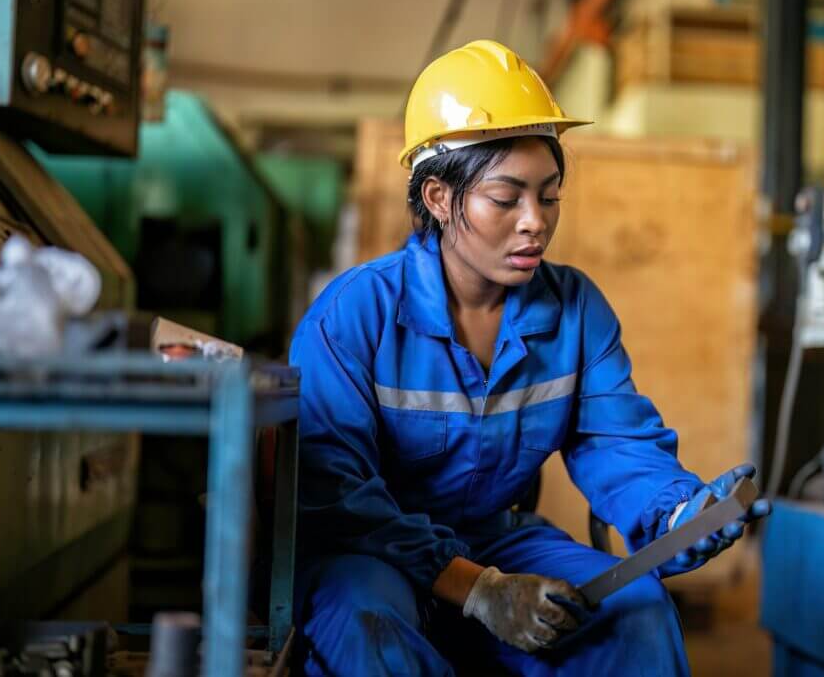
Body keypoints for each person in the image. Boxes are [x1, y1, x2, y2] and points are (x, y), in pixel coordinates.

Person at [290, 39, 771, 676]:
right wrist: (476, 588)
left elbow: (615, 442)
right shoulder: (354, 314)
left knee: (637, 613)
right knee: (365, 626)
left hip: (500, 535)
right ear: (437, 197)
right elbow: (336, 496)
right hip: (376, 551)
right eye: (506, 197)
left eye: (549, 196)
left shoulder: (574, 309)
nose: (534, 223)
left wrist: (681, 513)